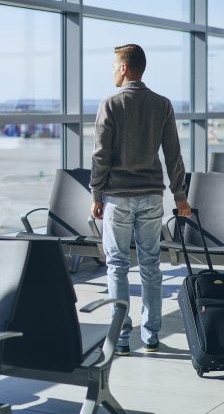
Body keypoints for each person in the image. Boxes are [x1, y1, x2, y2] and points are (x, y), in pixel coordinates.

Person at [90, 44, 191, 356]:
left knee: (117, 265)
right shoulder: (162, 104)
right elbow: (173, 155)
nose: (111, 71)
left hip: (118, 198)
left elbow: (100, 156)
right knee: (150, 265)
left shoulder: (111, 103)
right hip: (150, 197)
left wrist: (96, 193)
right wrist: (180, 196)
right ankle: (151, 335)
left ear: (124, 68)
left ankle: (120, 336)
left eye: (113, 66)